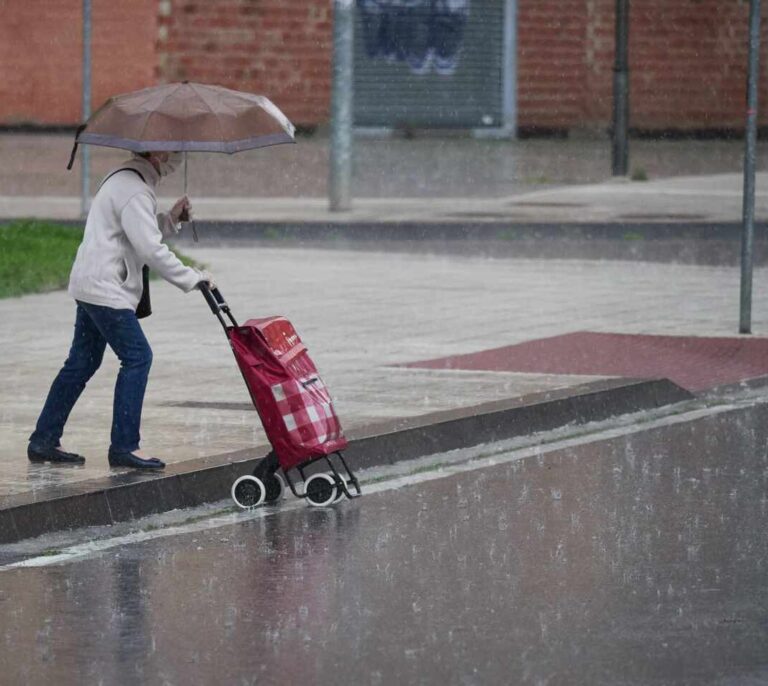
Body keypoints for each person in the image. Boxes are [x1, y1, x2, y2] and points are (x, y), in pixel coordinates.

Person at [28, 150, 213, 470]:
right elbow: (151, 249)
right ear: (157, 154)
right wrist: (193, 278)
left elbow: (134, 232)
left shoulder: (123, 179)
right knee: (138, 357)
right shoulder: (136, 189)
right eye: (173, 154)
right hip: (105, 289)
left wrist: (169, 219)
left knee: (81, 363)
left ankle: (43, 440)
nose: (176, 160)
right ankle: (124, 447)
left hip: (90, 283)